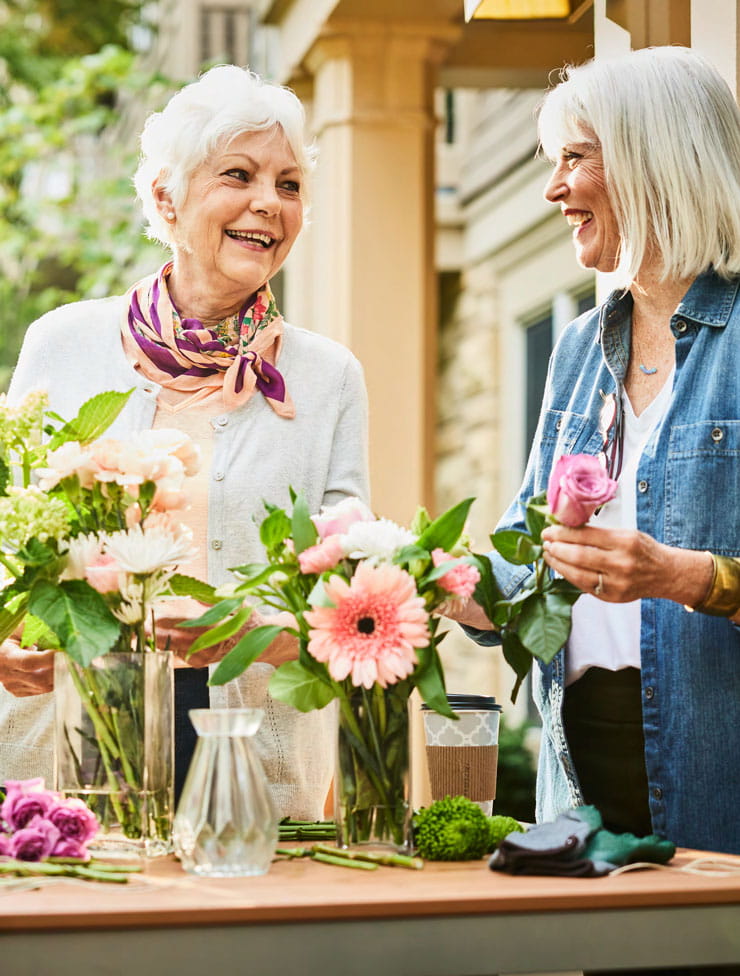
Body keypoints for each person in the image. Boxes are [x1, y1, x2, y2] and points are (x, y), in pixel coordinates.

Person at [0, 65, 369, 818]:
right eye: (239, 174)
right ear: (166, 197)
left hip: (246, 757)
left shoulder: (327, 377)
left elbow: (357, 603)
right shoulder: (63, 344)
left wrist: (259, 634)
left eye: (289, 184)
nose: (269, 202)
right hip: (62, 745)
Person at [453, 46, 740, 857]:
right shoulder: (582, 347)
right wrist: (410, 575)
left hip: (720, 782)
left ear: (655, 158)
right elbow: (526, 574)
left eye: (574, 159)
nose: (553, 190)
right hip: (582, 793)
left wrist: (682, 577)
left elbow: (678, 575)